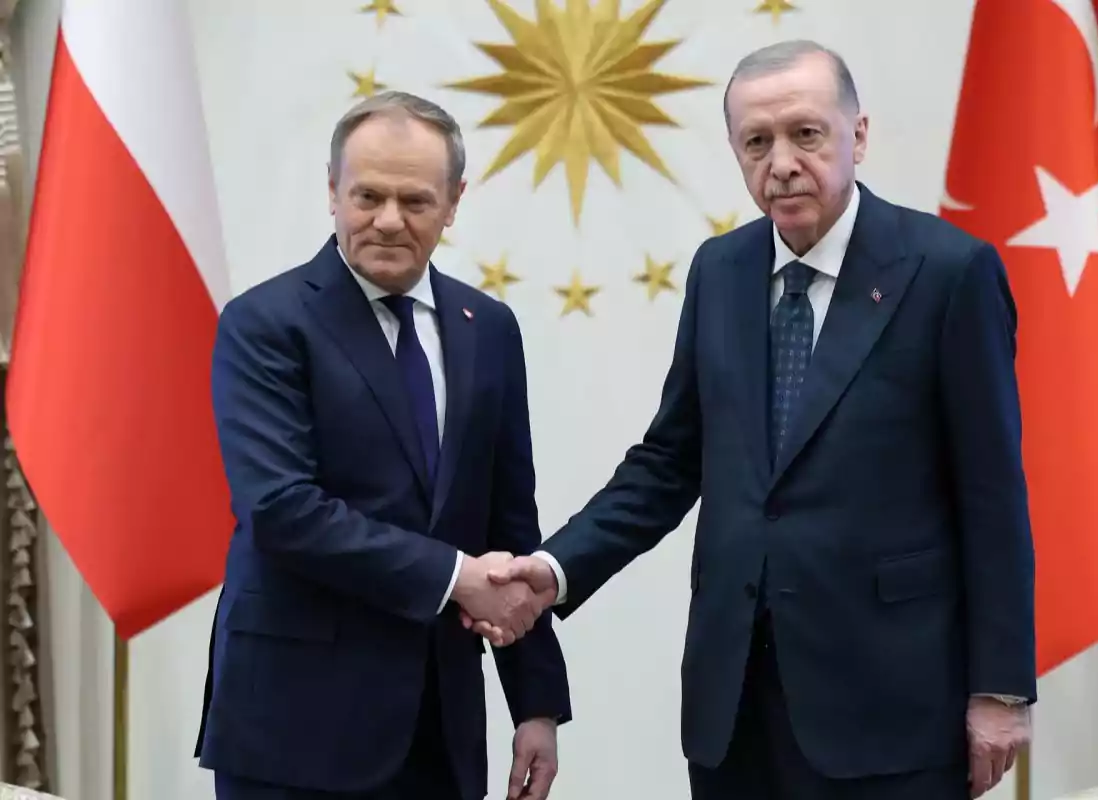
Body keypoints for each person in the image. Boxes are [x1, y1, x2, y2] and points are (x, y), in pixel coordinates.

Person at [465, 40, 1035, 800]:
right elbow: (669, 462)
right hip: (735, 707)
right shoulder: (720, 271)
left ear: (856, 136)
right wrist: (556, 569)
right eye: (756, 142)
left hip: (891, 707)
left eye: (806, 134)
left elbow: (993, 495)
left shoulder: (950, 272)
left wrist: (999, 689)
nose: (783, 162)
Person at [194, 91, 570, 800]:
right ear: (331, 192)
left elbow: (509, 523)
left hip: (439, 727)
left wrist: (536, 705)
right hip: (293, 728)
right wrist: (455, 576)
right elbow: (282, 510)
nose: (389, 221)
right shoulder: (264, 324)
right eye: (367, 195)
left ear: (454, 202)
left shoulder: (487, 328)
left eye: (416, 200)